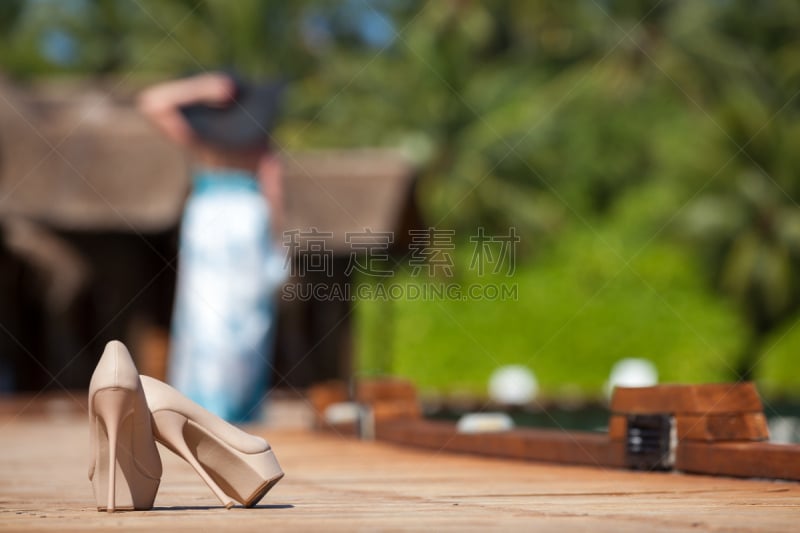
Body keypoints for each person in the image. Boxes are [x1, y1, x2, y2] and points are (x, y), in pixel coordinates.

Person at [137, 71, 286, 422]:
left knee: (205, 315)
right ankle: (232, 408)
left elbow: (151, 102)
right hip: (247, 221)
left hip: (208, 218)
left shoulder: (200, 139)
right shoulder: (258, 144)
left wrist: (199, 89)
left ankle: (203, 408)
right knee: (242, 319)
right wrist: (280, 245)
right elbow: (274, 185)